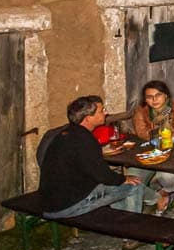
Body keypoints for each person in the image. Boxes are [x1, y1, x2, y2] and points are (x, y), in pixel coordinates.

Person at [37, 96, 145, 235]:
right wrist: (124, 179)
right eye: (101, 111)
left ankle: (119, 225)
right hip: (66, 206)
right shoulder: (85, 140)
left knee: (115, 185)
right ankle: (132, 234)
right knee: (134, 185)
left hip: (49, 201)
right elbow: (103, 175)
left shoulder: (65, 133)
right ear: (88, 118)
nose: (105, 113)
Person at [130, 80, 174, 212]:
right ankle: (155, 198)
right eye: (149, 97)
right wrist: (168, 136)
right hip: (148, 154)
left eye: (158, 95)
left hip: (173, 154)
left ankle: (165, 192)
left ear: (166, 96)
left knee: (168, 177)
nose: (154, 100)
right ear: (145, 100)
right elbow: (142, 133)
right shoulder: (141, 111)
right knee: (131, 179)